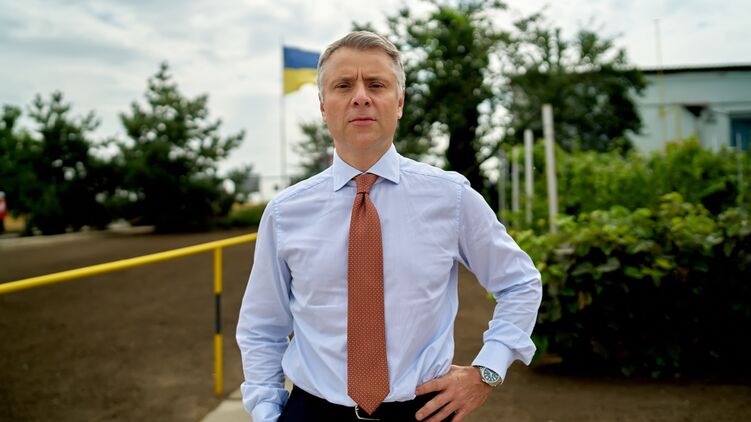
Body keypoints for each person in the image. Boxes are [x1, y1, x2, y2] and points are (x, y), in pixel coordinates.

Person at [236, 31, 542, 422]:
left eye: (376, 84)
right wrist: (266, 411)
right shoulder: (284, 213)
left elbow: (520, 283)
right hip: (311, 411)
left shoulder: (451, 198)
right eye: (343, 85)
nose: (360, 97)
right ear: (323, 106)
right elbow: (263, 326)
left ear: (399, 102)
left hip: (423, 412)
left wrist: (488, 370)